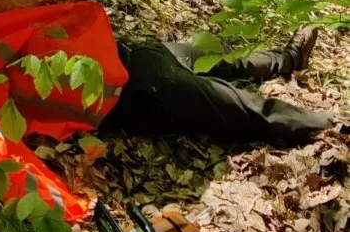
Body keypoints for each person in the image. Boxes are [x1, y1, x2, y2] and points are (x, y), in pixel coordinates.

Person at [102, 27, 335, 144]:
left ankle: (291, 58)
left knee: (225, 58)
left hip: (143, 54)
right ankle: (331, 124)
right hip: (143, 90)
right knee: (238, 103)